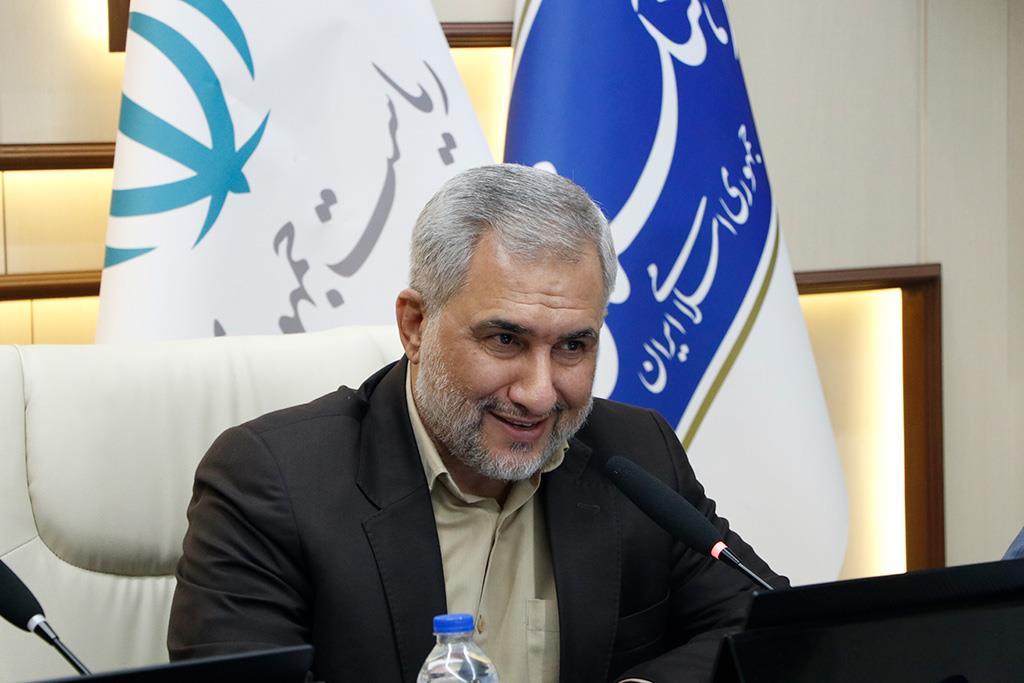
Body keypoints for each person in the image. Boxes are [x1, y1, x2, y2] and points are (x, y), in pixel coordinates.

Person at [168, 164, 786, 683]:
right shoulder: (272, 482)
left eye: (573, 346)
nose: (539, 393)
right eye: (505, 340)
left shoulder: (636, 454)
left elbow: (768, 626)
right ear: (415, 326)